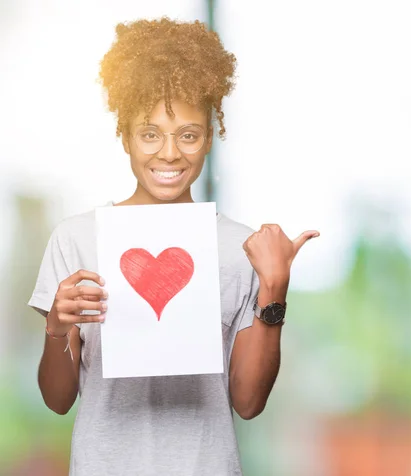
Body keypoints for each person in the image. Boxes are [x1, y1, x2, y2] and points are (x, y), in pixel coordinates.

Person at [28, 17, 319, 476]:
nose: (169, 153)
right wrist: (58, 329)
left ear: (209, 137)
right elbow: (57, 399)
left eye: (188, 134)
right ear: (124, 136)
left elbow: (247, 402)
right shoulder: (77, 238)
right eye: (150, 133)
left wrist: (274, 287)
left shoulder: (239, 247)